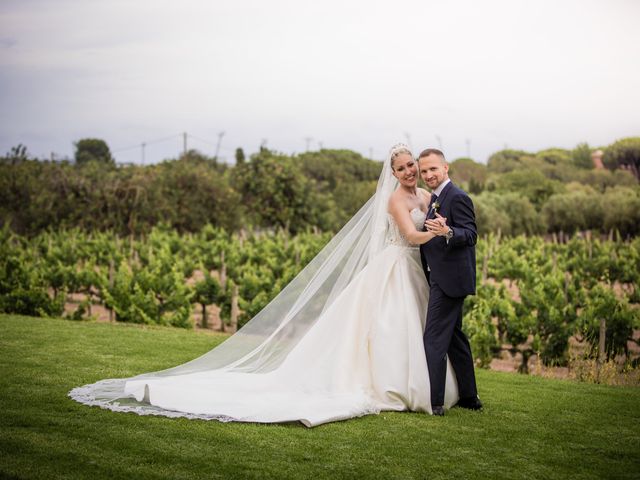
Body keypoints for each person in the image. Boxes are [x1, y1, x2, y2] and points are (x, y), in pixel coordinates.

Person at [69, 144, 459, 427]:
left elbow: (427, 223)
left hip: (415, 271)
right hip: (394, 264)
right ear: (392, 173)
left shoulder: (425, 194)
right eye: (403, 167)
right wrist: (439, 233)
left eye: (413, 166)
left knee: (418, 327)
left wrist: (442, 230)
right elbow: (409, 236)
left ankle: (426, 388)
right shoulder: (394, 200)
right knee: (389, 326)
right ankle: (394, 387)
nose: (410, 171)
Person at [418, 148, 482, 416]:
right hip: (441, 277)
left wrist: (448, 231)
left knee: (433, 338)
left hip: (450, 280)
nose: (429, 174)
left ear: (446, 168)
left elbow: (471, 234)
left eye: (433, 169)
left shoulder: (457, 197)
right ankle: (469, 396)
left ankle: (435, 402)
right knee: (454, 338)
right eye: (424, 171)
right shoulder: (436, 197)